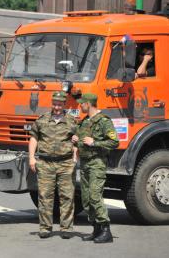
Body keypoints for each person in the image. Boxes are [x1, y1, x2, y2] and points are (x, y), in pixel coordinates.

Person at [28, 91, 77, 239]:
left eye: (59, 104)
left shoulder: (71, 121)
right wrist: (31, 158)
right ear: (52, 103)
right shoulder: (42, 120)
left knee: (67, 197)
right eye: (54, 104)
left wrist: (75, 156)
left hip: (66, 163)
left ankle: (66, 228)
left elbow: (76, 140)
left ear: (64, 104)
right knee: (44, 196)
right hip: (45, 163)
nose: (56, 107)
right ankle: (45, 227)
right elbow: (34, 138)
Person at [72, 93, 119, 243]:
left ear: (89, 104)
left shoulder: (104, 121)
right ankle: (96, 229)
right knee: (86, 199)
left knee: (94, 196)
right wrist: (76, 140)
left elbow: (114, 142)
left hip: (97, 163)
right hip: (85, 163)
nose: (80, 106)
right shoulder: (85, 121)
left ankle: (106, 230)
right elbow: (80, 141)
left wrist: (95, 142)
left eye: (82, 103)